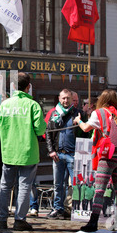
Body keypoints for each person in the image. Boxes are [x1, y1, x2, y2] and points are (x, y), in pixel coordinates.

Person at [0, 72, 46, 231]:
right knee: (24, 187)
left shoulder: (5, 105)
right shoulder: (33, 105)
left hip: (9, 151)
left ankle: (1, 218)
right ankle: (19, 220)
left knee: (5, 186)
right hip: (28, 153)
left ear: (14, 86)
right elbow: (40, 129)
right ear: (28, 87)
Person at [74, 89, 117, 232]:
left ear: (102, 100)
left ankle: (93, 222)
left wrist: (78, 120)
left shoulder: (99, 113)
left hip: (108, 155)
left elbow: (86, 128)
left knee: (99, 190)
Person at [46, 89, 82, 219]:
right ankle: (58, 208)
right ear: (59, 99)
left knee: (75, 184)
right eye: (63, 98)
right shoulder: (55, 113)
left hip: (73, 154)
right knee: (58, 184)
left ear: (72, 99)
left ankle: (73, 208)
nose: (65, 101)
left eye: (68, 98)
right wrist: (51, 151)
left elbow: (85, 134)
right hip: (58, 154)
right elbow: (49, 134)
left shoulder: (78, 114)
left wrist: (80, 123)